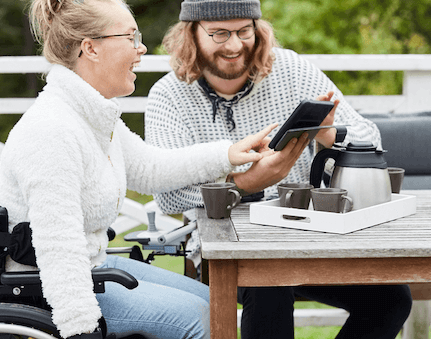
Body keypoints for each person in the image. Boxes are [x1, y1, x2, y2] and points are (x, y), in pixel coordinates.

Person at [0, 0, 278, 338]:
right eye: (130, 37)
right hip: (47, 286)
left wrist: (229, 154)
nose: (141, 47)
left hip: (93, 263)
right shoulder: (54, 129)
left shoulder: (91, 113)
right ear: (90, 48)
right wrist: (83, 328)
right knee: (200, 318)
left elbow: (150, 168)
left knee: (217, 301)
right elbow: (58, 245)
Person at [144, 1, 413, 338]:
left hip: (311, 237)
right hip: (226, 250)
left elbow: (369, 138)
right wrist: (243, 184)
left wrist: (330, 134)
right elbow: (168, 197)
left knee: (391, 299)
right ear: (191, 35)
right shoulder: (167, 96)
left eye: (244, 31)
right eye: (219, 34)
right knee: (267, 283)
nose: (234, 45)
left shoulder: (292, 70)